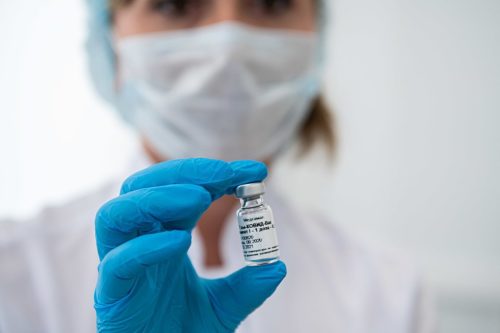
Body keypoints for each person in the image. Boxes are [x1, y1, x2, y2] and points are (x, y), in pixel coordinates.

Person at [0, 0, 434, 332]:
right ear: (109, 43)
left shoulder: (388, 292)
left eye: (272, 2)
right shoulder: (15, 273)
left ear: (317, 38)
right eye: (174, 3)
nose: (228, 45)